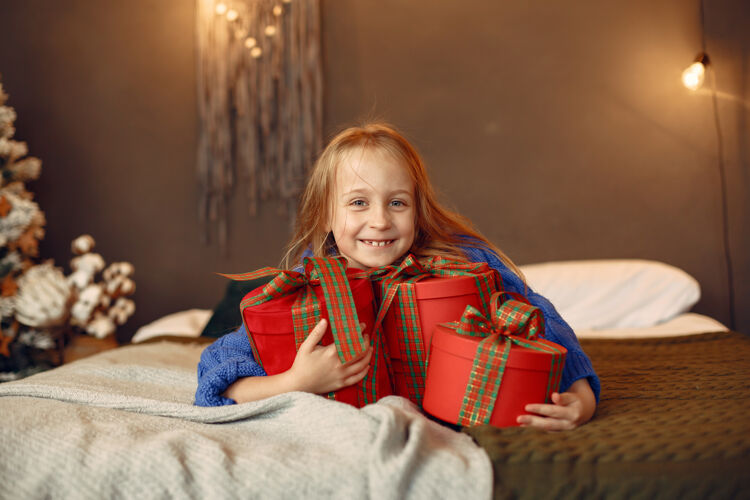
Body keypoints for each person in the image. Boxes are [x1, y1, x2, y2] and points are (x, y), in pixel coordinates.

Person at [196, 122, 600, 431]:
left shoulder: (464, 265)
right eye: (358, 202)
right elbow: (219, 375)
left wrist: (581, 400)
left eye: (397, 202)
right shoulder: (307, 288)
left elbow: (542, 322)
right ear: (324, 216)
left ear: (418, 210)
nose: (380, 220)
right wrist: (298, 381)